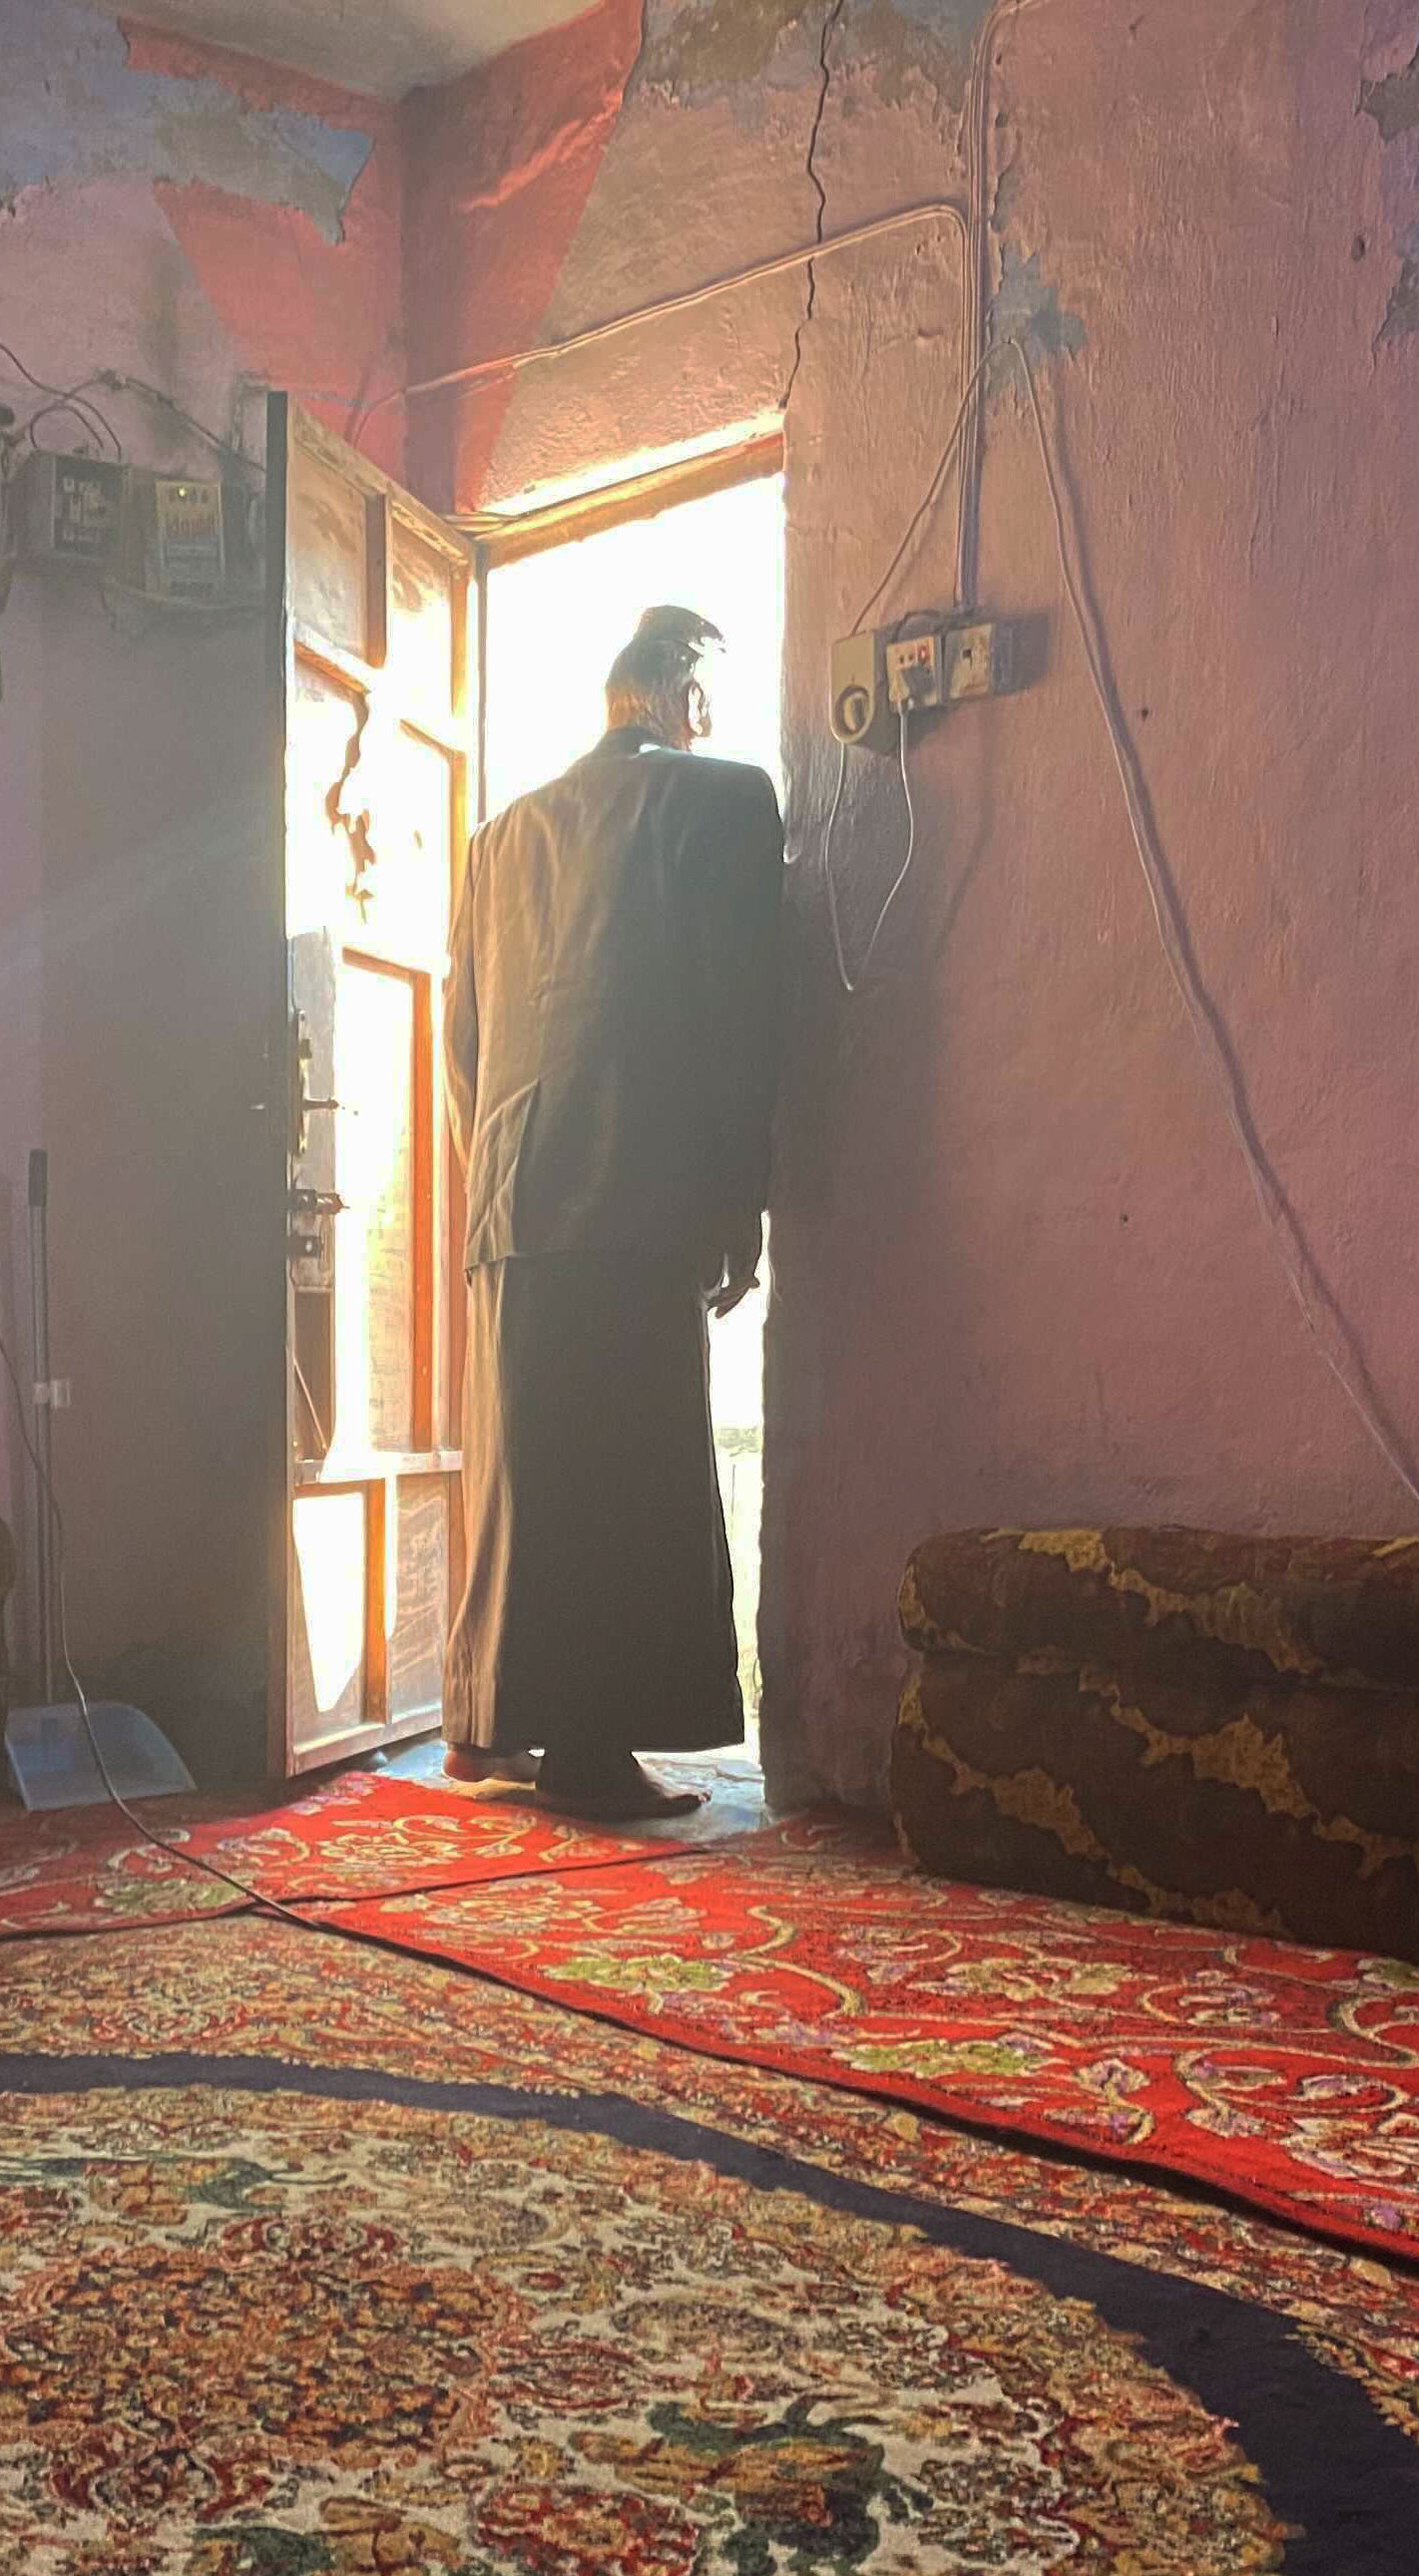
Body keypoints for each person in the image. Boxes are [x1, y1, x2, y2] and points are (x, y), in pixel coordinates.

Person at [439, 607, 782, 1819]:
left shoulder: (497, 839)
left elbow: (463, 1049)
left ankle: (495, 1726)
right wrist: (742, 1193)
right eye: (707, 696)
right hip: (635, 1185)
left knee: (530, 1475)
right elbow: (741, 1019)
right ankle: (591, 1754)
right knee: (630, 1474)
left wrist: (497, 1178)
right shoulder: (721, 803)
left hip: (513, 1190)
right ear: (680, 693)